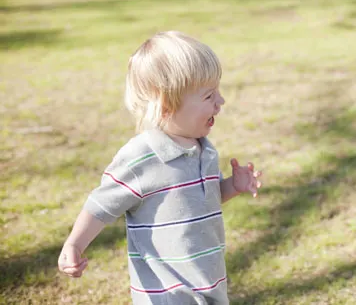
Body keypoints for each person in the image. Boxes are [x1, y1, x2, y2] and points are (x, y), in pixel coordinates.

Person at [57, 31, 263, 303]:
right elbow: (101, 205)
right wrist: (74, 244)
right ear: (167, 104)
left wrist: (232, 187)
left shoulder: (205, 149)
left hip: (210, 282)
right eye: (209, 96)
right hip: (167, 293)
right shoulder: (141, 157)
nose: (221, 102)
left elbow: (200, 202)